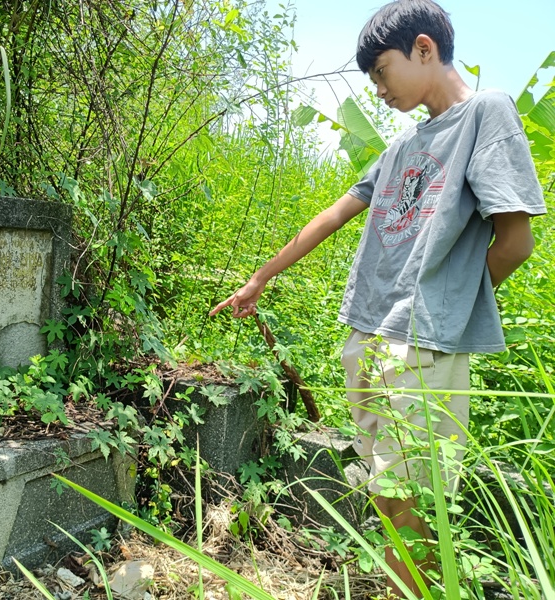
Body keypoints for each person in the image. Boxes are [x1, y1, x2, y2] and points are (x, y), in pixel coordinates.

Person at [209, 0, 547, 596]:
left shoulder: (485, 114)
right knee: (383, 487)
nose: (378, 90)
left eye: (382, 71)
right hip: (368, 333)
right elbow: (335, 213)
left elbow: (515, 241)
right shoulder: (400, 149)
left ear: (424, 48)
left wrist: (447, 301)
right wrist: (261, 277)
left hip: (422, 339)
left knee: (413, 494)